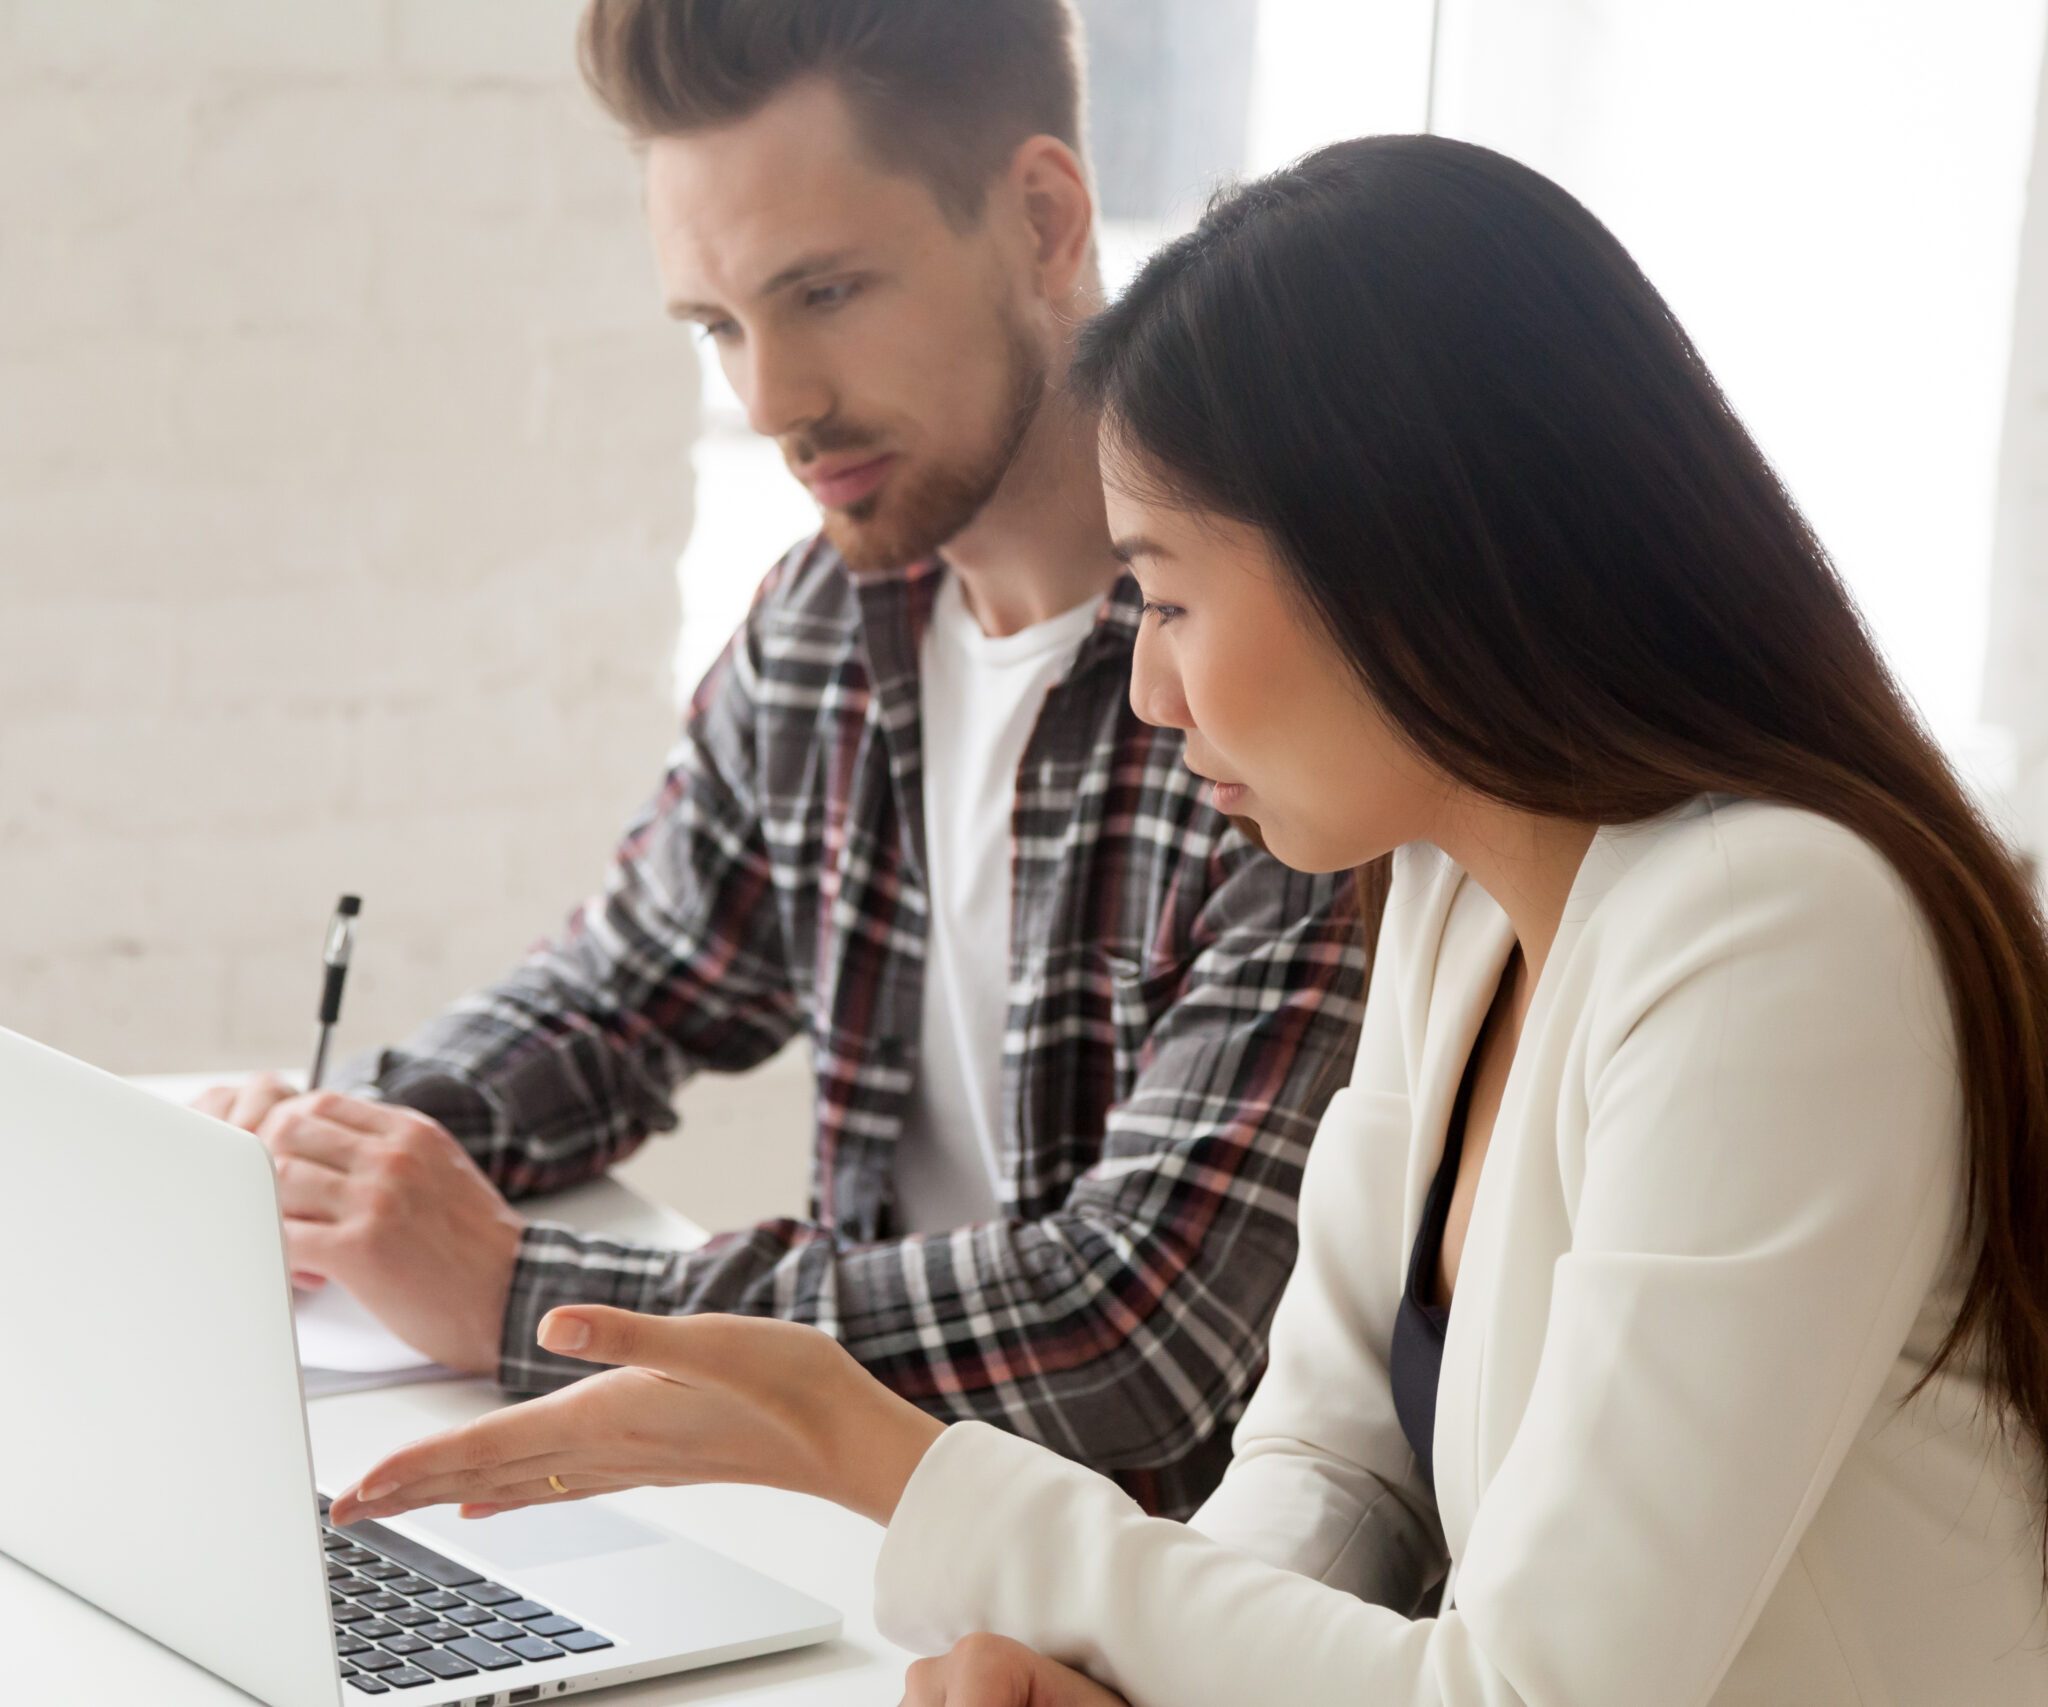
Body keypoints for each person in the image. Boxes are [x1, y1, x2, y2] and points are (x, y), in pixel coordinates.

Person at [330, 135, 2048, 1706]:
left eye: (1162, 594)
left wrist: (896, 1463)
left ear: (1404, 552)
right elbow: (1338, 1469)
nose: (1147, 688)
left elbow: (1533, 1697)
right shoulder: (1455, 897)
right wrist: (1120, 1678)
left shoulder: (1773, 935)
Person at [196, 0, 1365, 1520]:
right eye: (719, 326)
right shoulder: (835, 614)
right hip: (864, 1546)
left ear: (1042, 217)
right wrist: (335, 1150)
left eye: (824, 290)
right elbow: (630, 988)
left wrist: (519, 1292)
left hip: (1148, 1623)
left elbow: (1134, 1333)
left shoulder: (1281, 676)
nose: (769, 403)